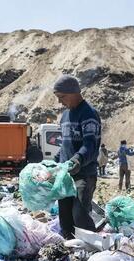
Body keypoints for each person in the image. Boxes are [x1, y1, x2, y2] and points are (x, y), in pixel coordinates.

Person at [53, 75, 101, 239]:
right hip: (65, 175)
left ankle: (94, 248)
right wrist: (53, 162)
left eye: (62, 97)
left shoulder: (88, 114)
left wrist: (78, 160)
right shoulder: (65, 116)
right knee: (65, 219)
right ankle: (72, 253)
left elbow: (90, 144)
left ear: (73, 93)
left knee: (79, 215)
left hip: (83, 174)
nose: (60, 102)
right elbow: (66, 145)